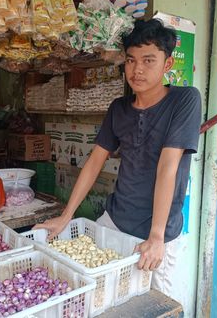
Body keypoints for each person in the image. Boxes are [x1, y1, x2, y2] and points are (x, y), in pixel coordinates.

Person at [34, 19, 202, 301]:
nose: (137, 69)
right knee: (100, 300)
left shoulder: (185, 100)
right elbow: (94, 162)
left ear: (167, 64)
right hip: (114, 221)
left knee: (159, 305)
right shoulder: (119, 109)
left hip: (159, 233)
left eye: (149, 60)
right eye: (131, 60)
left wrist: (157, 237)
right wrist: (65, 217)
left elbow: (168, 168)